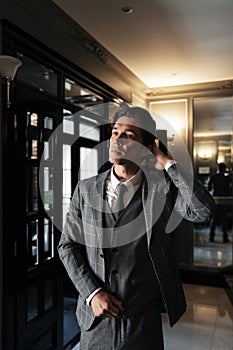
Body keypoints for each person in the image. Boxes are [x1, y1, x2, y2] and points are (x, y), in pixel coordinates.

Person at [58, 105, 216, 350]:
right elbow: (67, 246)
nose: (117, 139)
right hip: (95, 321)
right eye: (114, 132)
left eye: (129, 135)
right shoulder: (86, 189)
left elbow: (203, 211)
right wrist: (92, 294)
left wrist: (169, 165)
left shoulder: (163, 189)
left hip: (143, 324)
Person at [208, 162, 232, 243]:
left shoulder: (212, 177)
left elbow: (208, 188)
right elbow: (230, 189)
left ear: (218, 168)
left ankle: (211, 236)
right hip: (224, 199)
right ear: (224, 169)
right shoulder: (227, 178)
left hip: (215, 199)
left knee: (214, 219)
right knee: (224, 218)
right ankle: (225, 237)